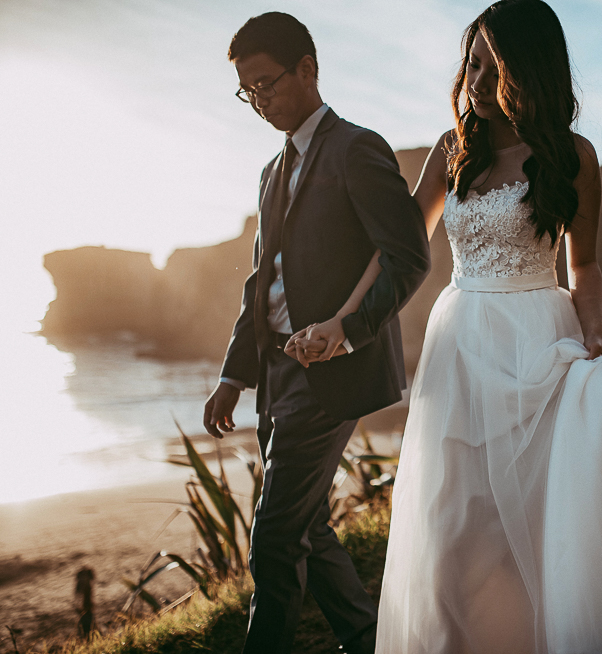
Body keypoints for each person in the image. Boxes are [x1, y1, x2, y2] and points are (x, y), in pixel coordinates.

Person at [325, 1, 602, 651]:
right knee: (452, 527)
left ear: (532, 75)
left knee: (530, 533)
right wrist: (344, 321)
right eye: (472, 63)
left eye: (495, 69)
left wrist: (594, 341)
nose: (477, 83)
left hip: (539, 345)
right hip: (458, 350)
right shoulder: (452, 150)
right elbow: (397, 250)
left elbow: (585, 263)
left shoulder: (572, 157)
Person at [201, 12, 430, 654]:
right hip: (275, 377)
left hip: (330, 375)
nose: (258, 101)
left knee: (273, 540)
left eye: (266, 84)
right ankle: (363, 636)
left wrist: (348, 332)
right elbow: (261, 285)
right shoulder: (271, 174)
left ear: (308, 69)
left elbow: (408, 255)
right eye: (247, 91)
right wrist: (232, 375)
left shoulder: (358, 147)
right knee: (309, 528)